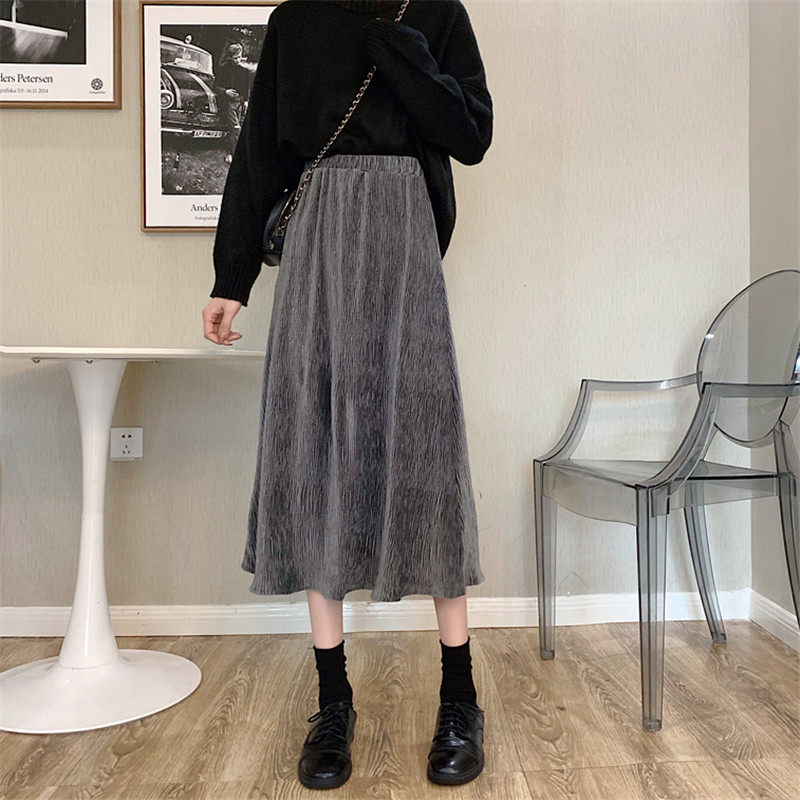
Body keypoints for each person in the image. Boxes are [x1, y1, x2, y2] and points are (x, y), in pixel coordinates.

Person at [202, 0, 492, 789]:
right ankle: (333, 701)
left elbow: (471, 135)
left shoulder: (434, 11)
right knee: (314, 447)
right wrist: (232, 278)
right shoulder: (296, 19)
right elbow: (259, 150)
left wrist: (395, 47)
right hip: (318, 243)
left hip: (405, 239)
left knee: (425, 449)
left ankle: (459, 698)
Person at [213, 42, 252, 162]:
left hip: (239, 102)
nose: (238, 60)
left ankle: (232, 152)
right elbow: (215, 86)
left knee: (234, 128)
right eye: (235, 58)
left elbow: (247, 88)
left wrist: (246, 101)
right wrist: (226, 91)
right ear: (230, 57)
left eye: (240, 57)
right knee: (236, 127)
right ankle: (232, 154)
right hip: (227, 102)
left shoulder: (245, 70)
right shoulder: (223, 68)